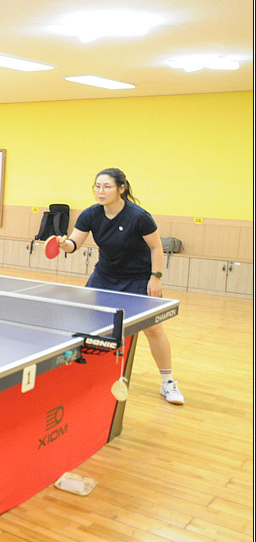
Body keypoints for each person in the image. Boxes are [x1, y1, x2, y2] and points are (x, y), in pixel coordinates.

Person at [58, 167, 184, 405]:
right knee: (90, 325)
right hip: (105, 276)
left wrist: (155, 277)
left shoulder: (138, 216)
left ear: (121, 189)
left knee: (153, 329)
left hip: (137, 277)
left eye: (107, 187)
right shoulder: (90, 214)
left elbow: (156, 247)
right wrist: (64, 244)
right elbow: (74, 243)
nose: (101, 191)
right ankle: (89, 375)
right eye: (97, 186)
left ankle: (168, 382)